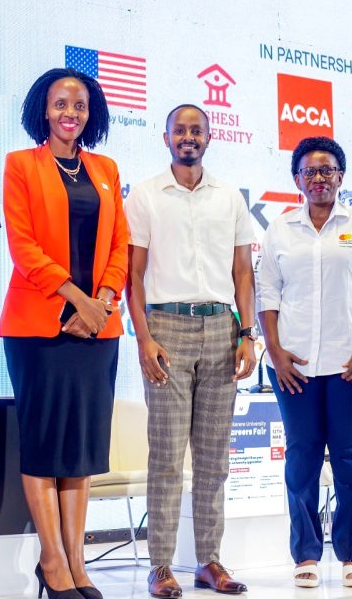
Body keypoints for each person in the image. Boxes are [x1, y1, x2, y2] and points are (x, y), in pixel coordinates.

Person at [0, 67, 129, 599]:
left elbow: (120, 244)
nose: (70, 113)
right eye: (60, 104)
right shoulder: (21, 165)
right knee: (45, 444)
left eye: (79, 105)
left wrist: (103, 303)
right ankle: (51, 561)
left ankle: (77, 563)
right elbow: (23, 247)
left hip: (97, 329)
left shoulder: (105, 169)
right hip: (39, 326)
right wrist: (78, 298)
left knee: (81, 449)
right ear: (43, 110)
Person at [256, 136, 352, 589]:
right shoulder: (280, 229)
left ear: (341, 176)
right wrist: (274, 351)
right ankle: (306, 553)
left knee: (350, 455)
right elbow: (267, 294)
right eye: (309, 171)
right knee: (301, 455)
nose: (318, 178)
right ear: (296, 179)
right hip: (294, 364)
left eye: (327, 170)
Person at [125, 104, 255, 598]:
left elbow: (243, 272)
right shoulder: (145, 195)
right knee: (166, 456)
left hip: (222, 328)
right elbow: (133, 275)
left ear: (209, 136)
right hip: (166, 328)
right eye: (179, 130)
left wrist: (247, 335)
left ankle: (209, 561)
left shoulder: (230, 197)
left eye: (196, 130)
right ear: (166, 138)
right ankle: (160, 565)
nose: (188, 137)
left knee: (214, 458)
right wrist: (144, 337)